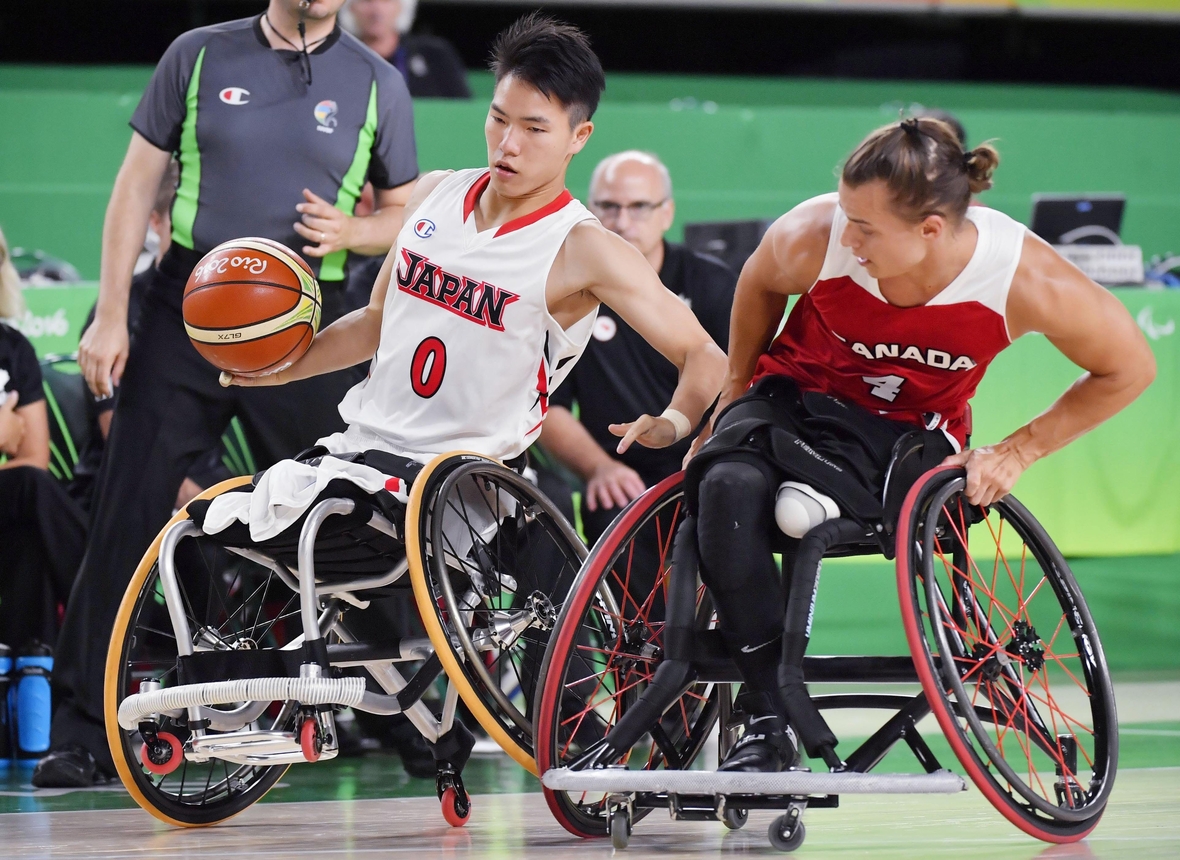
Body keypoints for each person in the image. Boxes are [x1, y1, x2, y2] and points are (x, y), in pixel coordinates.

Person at [684, 116, 1155, 774]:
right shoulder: (813, 237)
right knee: (724, 485)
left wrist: (1017, 451)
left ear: (931, 229)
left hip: (909, 438)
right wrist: (735, 386)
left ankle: (815, 506)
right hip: (795, 399)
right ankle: (767, 722)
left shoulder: (1021, 278)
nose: (848, 236)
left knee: (823, 504)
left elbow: (1130, 367)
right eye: (846, 214)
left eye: (867, 227)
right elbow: (759, 281)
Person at [35, 0, 419, 787]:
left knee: (351, 509)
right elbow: (133, 187)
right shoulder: (197, 54)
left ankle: (411, 714)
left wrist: (357, 234)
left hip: (310, 316)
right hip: (191, 306)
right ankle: (87, 727)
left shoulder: (378, 81)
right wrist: (111, 315)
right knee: (128, 511)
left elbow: (410, 211)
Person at [540, 150, 735, 545]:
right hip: (618, 468)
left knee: (737, 501)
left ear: (667, 212)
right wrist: (598, 468)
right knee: (611, 503)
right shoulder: (565, 291)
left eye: (639, 207)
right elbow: (547, 404)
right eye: (609, 206)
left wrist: (710, 450)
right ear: (588, 210)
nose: (622, 222)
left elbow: (742, 382)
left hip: (704, 459)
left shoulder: (713, 284)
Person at [0, 232, 87, 650]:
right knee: (32, 496)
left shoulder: (13, 349)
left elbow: (33, 456)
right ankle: (106, 608)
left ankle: (30, 666)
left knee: (32, 531)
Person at [348, 0, 471, 98]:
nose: (376, 11)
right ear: (351, 8)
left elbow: (463, 110)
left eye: (386, 1)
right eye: (367, 1)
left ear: (401, 7)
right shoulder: (337, 56)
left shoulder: (435, 55)